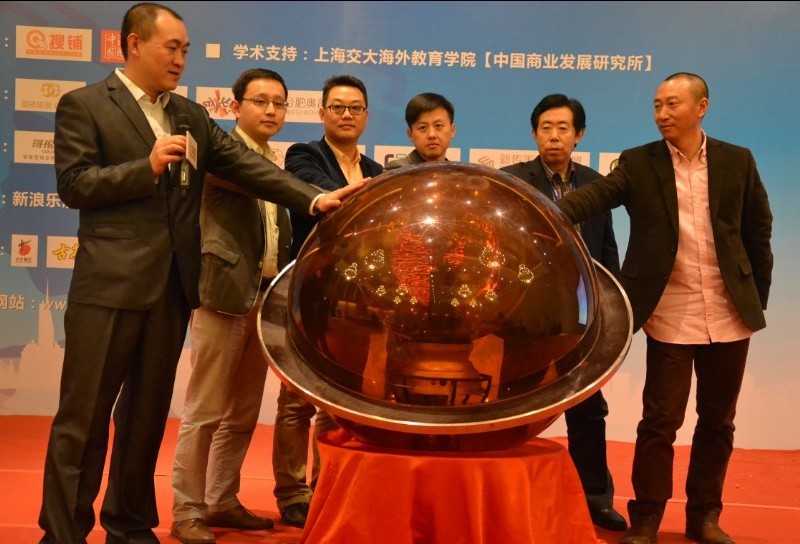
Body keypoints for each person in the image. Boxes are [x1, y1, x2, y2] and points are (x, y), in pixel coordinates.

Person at [38, 5, 364, 544]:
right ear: (134, 44)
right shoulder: (86, 104)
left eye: (186, 50)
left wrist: (313, 198)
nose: (180, 59)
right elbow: (74, 184)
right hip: (109, 289)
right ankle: (64, 533)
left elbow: (246, 165)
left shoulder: (189, 115)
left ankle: (130, 525)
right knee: (84, 419)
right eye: (172, 47)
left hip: (171, 290)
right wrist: (144, 167)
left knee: (145, 420)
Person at [556, 73, 773, 544]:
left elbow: (758, 231)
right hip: (670, 313)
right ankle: (647, 518)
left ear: (702, 107)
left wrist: (755, 298)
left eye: (672, 104)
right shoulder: (638, 162)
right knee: (659, 422)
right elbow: (595, 198)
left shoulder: (737, 160)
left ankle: (705, 517)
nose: (662, 114)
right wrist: (543, 210)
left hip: (729, 314)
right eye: (657, 105)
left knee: (718, 423)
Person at [169, 68, 294, 544]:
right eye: (260, 101)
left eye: (278, 103)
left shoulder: (272, 159)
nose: (271, 110)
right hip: (223, 296)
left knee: (242, 413)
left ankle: (221, 498)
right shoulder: (219, 153)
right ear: (235, 107)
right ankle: (187, 510)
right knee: (204, 411)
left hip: (263, 300)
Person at [501, 93, 627, 533]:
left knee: (588, 408)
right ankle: (506, 500)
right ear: (534, 134)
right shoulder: (514, 181)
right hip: (524, 315)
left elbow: (606, 249)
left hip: (582, 314)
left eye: (563, 129)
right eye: (546, 128)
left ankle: (595, 498)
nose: (554, 137)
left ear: (579, 135)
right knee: (510, 407)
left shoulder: (596, 183)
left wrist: (613, 308)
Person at [273, 74, 383, 529]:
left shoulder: (376, 169)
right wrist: (379, 195)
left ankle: (325, 487)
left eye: (355, 108)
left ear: (366, 116)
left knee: (337, 403)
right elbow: (320, 191)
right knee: (296, 402)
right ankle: (290, 491)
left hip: (356, 303)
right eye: (338, 107)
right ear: (321, 113)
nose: (346, 115)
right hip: (310, 293)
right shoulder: (304, 155)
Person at [385, 92, 456, 169]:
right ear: (410, 134)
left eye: (438, 125)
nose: (431, 134)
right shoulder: (398, 170)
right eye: (423, 127)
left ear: (452, 130)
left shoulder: (458, 174)